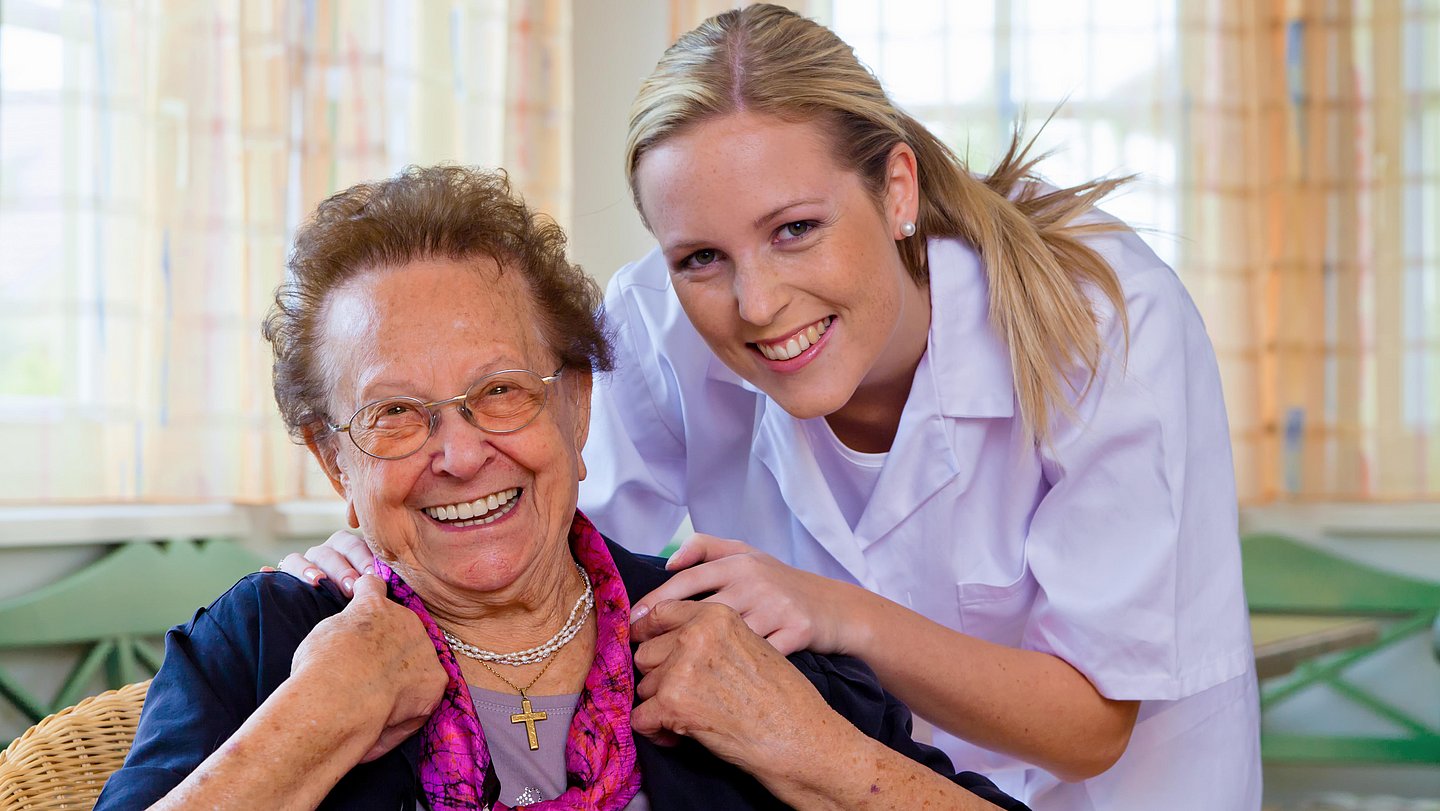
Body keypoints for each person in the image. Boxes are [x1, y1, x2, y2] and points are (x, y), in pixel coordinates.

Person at [284, 5, 1261, 808]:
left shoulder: (1102, 318)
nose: (755, 304)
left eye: (796, 229)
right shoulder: (655, 328)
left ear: (896, 188)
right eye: (701, 257)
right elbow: (556, 558)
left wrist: (832, 611)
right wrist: (378, 553)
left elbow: (1090, 725)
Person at [96, 165, 1026, 811]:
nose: (459, 454)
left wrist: (806, 745)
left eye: (500, 392)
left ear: (577, 408)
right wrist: (315, 719)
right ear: (336, 462)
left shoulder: (721, 632)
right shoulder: (265, 650)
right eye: (396, 414)